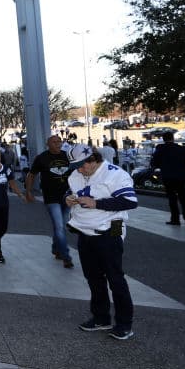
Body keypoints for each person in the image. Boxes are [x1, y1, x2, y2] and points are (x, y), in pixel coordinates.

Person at [64, 144, 138, 341]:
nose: (79, 170)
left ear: (93, 159)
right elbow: (74, 193)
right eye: (76, 166)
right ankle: (100, 317)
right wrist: (69, 199)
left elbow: (130, 201)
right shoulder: (75, 176)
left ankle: (124, 323)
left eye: (82, 165)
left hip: (112, 227)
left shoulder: (115, 174)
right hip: (84, 230)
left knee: (115, 277)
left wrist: (97, 203)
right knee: (93, 277)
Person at [24, 135, 75, 268]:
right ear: (48, 144)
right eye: (54, 142)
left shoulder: (68, 156)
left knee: (61, 226)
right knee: (59, 227)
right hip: (51, 198)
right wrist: (28, 191)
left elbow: (77, 172)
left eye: (59, 141)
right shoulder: (41, 158)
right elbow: (31, 174)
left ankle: (56, 249)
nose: (58, 144)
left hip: (68, 197)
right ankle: (66, 256)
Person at [149, 132, 185, 226]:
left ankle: (175, 219)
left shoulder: (160, 149)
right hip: (180, 176)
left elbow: (154, 163)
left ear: (164, 139)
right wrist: (181, 169)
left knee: (172, 198)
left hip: (168, 176)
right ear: (173, 138)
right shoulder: (181, 148)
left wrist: (161, 167)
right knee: (184, 198)